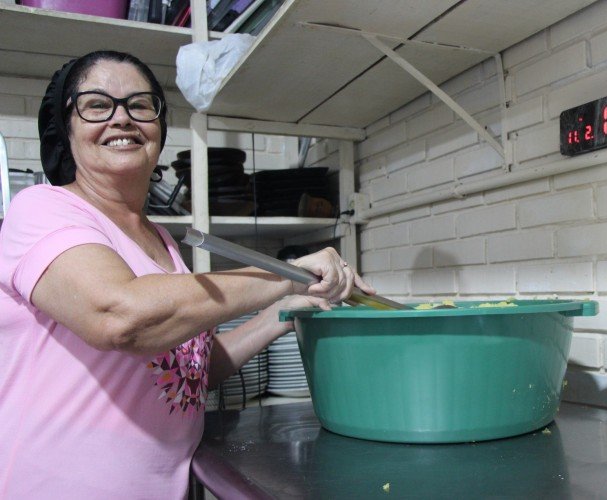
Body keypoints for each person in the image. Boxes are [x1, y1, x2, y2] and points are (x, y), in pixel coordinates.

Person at [0, 50, 375, 498]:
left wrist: (285, 309)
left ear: (159, 129)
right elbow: (120, 317)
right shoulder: (43, 209)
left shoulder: (161, 241)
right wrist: (284, 275)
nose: (122, 119)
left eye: (140, 105)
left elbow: (191, 369)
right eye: (98, 105)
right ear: (66, 129)